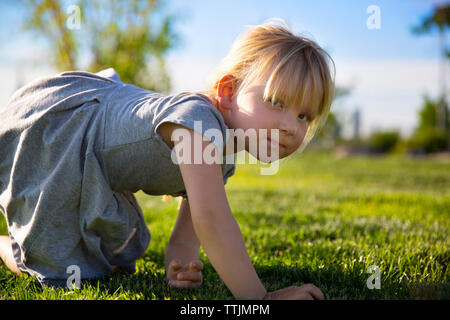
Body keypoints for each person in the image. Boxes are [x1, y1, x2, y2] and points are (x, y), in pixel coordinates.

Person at [0, 19, 335, 300]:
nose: (291, 127)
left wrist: (181, 266)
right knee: (57, 271)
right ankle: (5, 247)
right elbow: (212, 218)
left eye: (305, 116)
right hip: (65, 135)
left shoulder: (221, 152)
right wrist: (261, 300)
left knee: (106, 264)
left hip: (98, 158)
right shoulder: (198, 122)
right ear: (229, 92)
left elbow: (188, 235)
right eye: (276, 101)